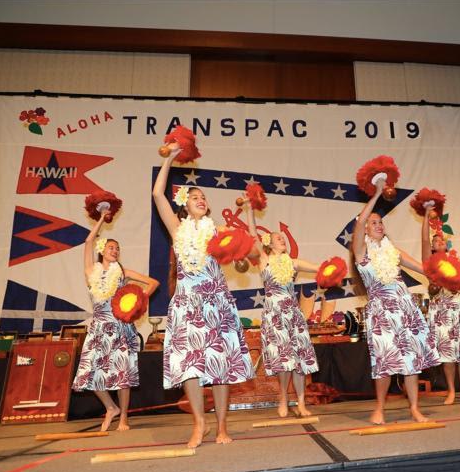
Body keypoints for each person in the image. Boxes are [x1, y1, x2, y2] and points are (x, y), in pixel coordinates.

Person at [152, 148, 255, 447]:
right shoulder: (177, 229)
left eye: (204, 197)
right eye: (195, 196)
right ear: (185, 205)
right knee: (189, 365)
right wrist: (170, 158)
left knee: (220, 365)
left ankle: (222, 425)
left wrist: (239, 259)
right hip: (187, 302)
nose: (201, 199)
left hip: (215, 302)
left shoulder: (218, 231)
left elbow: (247, 256)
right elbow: (158, 194)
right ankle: (199, 423)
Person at [352, 178, 440, 424]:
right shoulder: (361, 252)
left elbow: (424, 267)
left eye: (380, 222)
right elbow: (359, 222)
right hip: (381, 312)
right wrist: (377, 193)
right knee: (384, 360)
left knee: (411, 361)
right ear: (366, 230)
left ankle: (414, 408)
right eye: (373, 223)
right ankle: (380, 407)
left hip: (405, 308)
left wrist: (426, 218)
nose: (378, 225)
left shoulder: (394, 252)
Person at [72, 209, 159, 432]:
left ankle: (124, 419)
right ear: (102, 250)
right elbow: (88, 240)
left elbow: (153, 283)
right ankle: (111, 408)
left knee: (122, 374)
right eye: (111, 247)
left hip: (120, 326)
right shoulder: (91, 271)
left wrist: (138, 301)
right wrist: (102, 218)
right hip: (99, 328)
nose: (115, 250)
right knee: (89, 372)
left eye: (118, 248)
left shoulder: (122, 271)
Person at [243, 198, 319, 418]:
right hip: (275, 313)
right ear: (269, 243)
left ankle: (301, 402)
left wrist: (331, 269)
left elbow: (317, 268)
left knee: (299, 361)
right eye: (278, 238)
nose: (282, 239)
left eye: (283, 238)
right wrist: (249, 210)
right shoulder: (264, 259)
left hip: (292, 313)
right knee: (284, 360)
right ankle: (284, 399)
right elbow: (252, 233)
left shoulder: (292, 262)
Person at [421, 207, 460, 404]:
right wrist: (424, 216)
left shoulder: (455, 261)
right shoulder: (428, 262)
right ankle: (450, 391)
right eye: (434, 241)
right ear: (431, 246)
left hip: (459, 308)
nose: (438, 241)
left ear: (446, 244)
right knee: (447, 353)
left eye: (440, 239)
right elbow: (423, 240)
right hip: (441, 310)